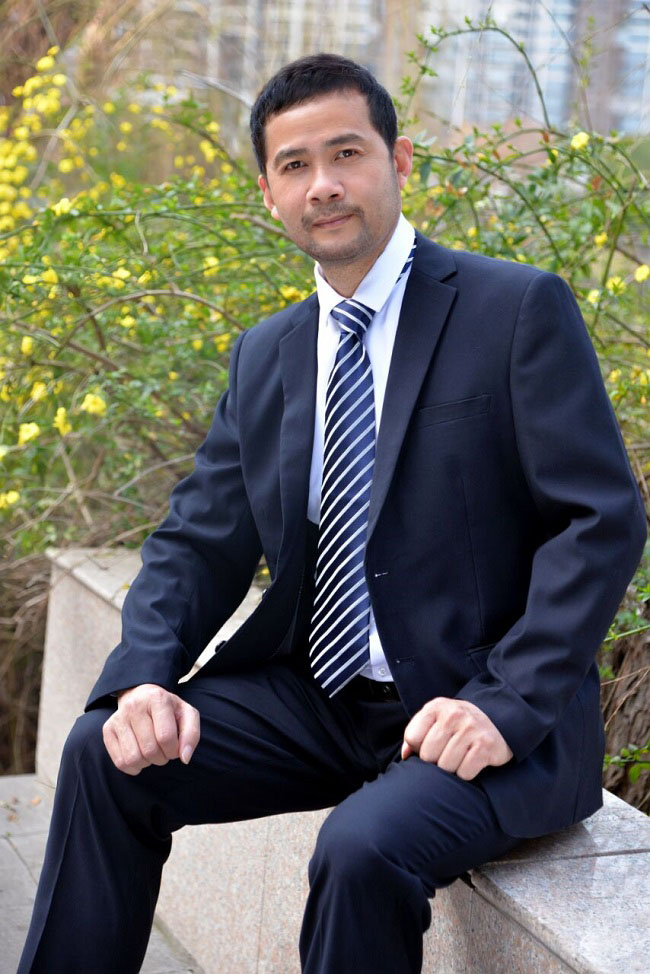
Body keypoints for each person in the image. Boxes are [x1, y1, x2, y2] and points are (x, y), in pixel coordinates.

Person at [19, 53, 646, 974]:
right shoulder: (267, 353)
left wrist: (507, 703)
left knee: (360, 849)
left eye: (347, 153)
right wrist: (140, 680)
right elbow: (196, 541)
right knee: (105, 753)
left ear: (399, 162)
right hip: (319, 702)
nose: (324, 184)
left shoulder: (514, 309)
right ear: (269, 193)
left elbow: (600, 520)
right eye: (295, 165)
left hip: (477, 709)